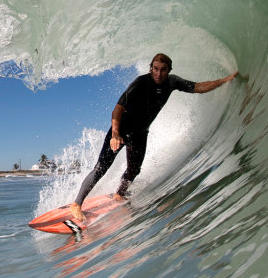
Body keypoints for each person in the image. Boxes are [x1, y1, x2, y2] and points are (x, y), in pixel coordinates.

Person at [69, 53, 238, 222]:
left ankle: (119, 194)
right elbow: (118, 109)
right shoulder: (141, 82)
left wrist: (224, 81)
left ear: (169, 70)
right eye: (155, 69)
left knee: (134, 170)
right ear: (151, 68)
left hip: (140, 134)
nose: (159, 73)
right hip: (122, 129)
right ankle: (77, 204)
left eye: (163, 70)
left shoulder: (172, 82)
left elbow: (197, 87)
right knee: (102, 167)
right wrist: (115, 134)